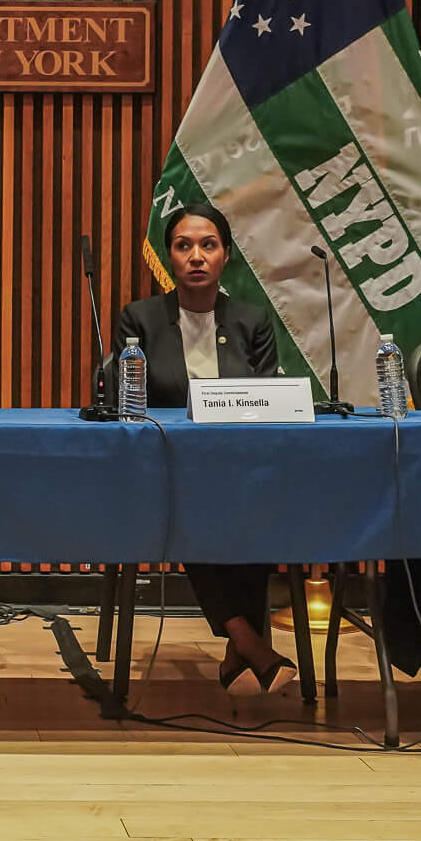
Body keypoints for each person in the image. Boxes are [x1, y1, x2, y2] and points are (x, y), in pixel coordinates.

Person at [112, 203, 295, 695]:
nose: (196, 256)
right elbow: (129, 401)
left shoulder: (252, 320)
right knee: (193, 505)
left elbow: (264, 400)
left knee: (253, 505)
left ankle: (241, 644)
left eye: (208, 245)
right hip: (164, 469)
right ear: (170, 257)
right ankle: (249, 640)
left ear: (226, 255)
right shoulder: (140, 319)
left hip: (237, 467)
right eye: (184, 246)